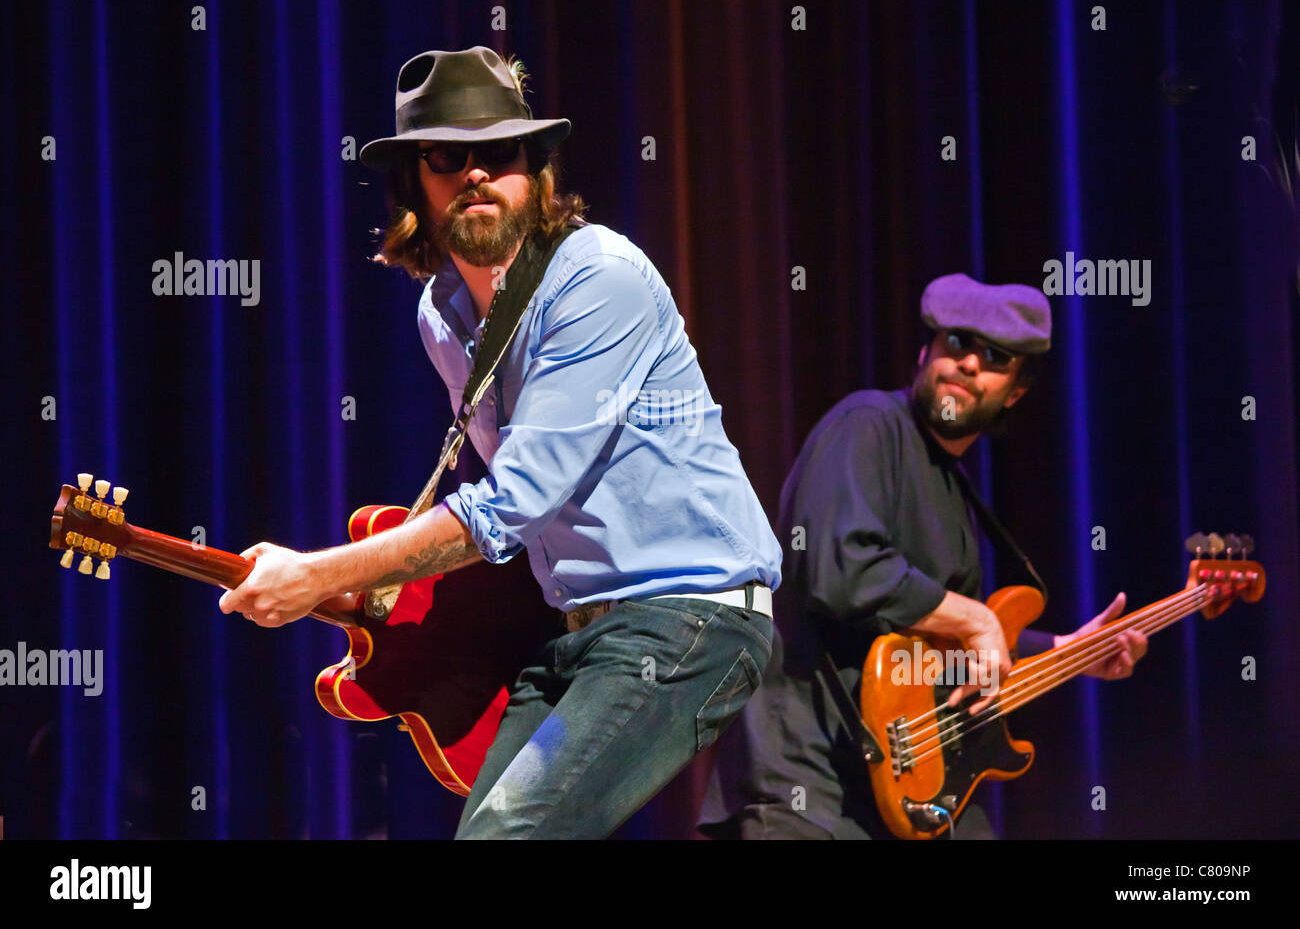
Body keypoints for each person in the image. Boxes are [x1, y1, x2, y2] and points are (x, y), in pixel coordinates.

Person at [217, 46, 781, 839]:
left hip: (690, 616)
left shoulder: (597, 278)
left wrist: (316, 573)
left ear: (536, 172)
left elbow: (510, 506)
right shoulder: (441, 316)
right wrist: (380, 597)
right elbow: (512, 519)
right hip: (575, 627)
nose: (477, 173)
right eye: (450, 155)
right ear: (416, 179)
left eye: (500, 152)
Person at [698, 273, 1148, 839]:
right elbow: (842, 572)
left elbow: (937, 640)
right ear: (924, 352)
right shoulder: (867, 424)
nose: (967, 363)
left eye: (995, 357)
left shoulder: (954, 486)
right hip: (810, 789)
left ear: (1016, 391)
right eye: (955, 342)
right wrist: (977, 617)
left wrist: (1070, 651)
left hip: (909, 791)